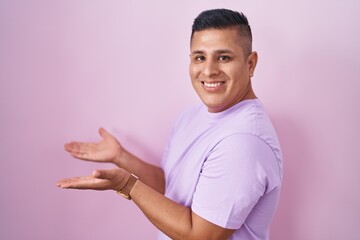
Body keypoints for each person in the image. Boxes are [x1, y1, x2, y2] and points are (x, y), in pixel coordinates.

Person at [57, 8, 283, 240]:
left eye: (223, 57)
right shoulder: (190, 116)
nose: (208, 70)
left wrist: (127, 185)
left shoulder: (244, 142)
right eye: (200, 57)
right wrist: (121, 157)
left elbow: (200, 236)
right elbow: (172, 188)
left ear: (251, 63)